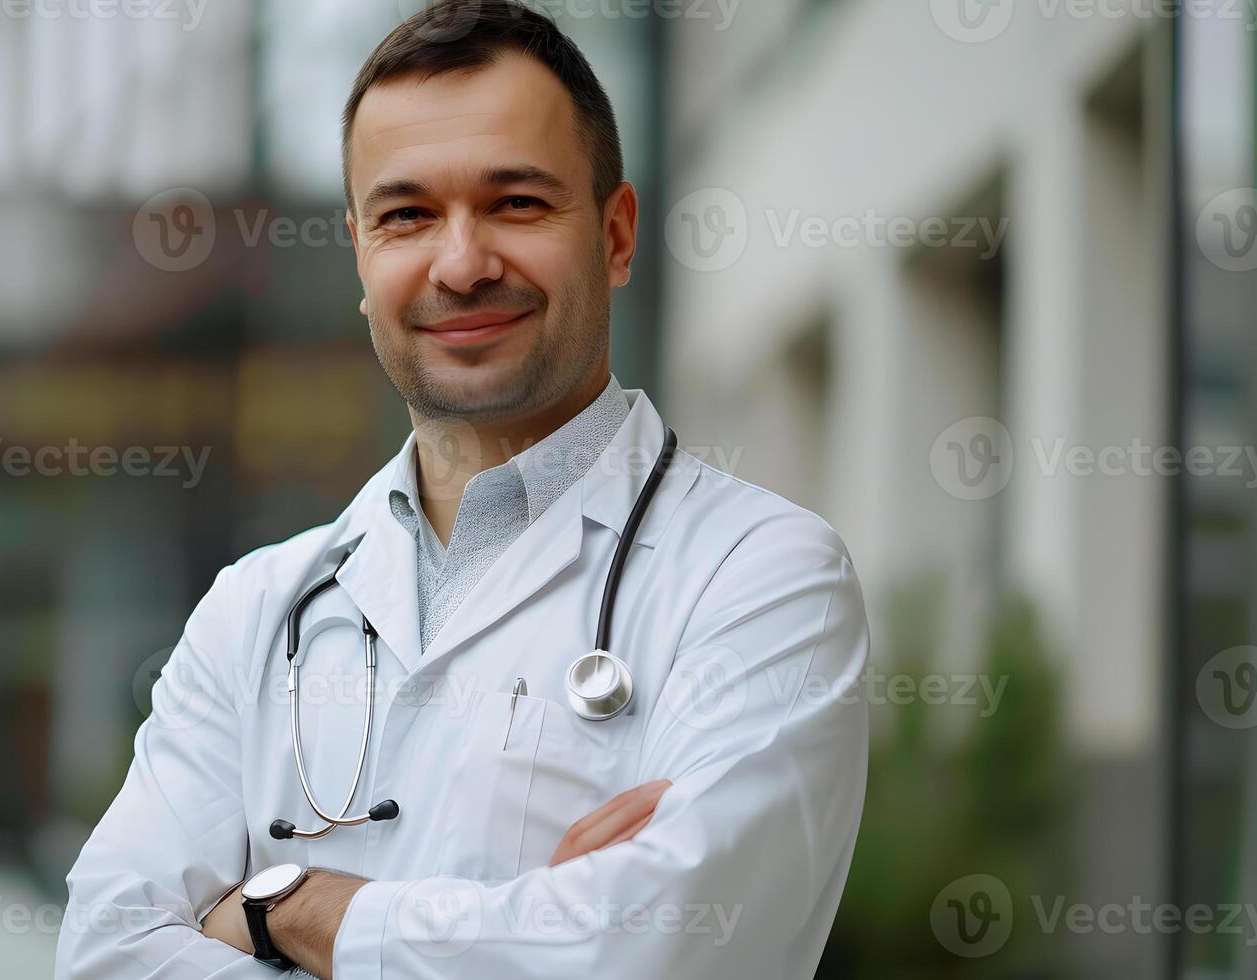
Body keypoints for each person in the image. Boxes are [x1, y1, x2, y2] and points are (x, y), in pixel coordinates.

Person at [56, 1, 869, 976]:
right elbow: (106, 952)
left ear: (616, 235)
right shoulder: (255, 610)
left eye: (517, 203)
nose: (461, 262)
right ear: (360, 253)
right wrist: (527, 925)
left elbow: (654, 950)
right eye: (407, 215)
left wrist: (287, 908)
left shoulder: (762, 577)